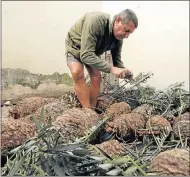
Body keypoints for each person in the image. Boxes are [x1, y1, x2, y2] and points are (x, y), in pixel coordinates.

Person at [65, 9, 138, 109]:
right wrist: (112, 69)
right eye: (126, 30)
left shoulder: (118, 38)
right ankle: (87, 111)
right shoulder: (96, 21)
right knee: (77, 73)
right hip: (75, 47)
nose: (127, 36)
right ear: (118, 21)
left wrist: (124, 71)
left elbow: (117, 61)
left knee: (96, 77)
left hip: (92, 52)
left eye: (130, 33)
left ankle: (92, 108)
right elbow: (85, 55)